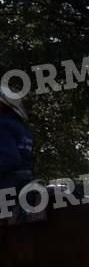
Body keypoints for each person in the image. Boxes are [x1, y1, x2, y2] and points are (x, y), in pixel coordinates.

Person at [0, 86, 35, 222]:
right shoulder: (23, 128)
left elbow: (10, 159)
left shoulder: (2, 124)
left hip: (7, 181)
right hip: (26, 179)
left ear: (3, 104)